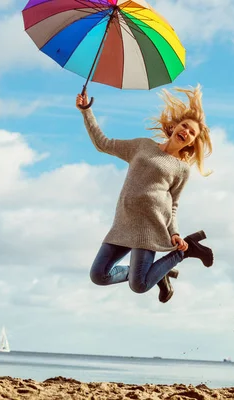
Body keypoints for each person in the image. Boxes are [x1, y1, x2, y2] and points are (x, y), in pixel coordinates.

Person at [76, 85, 214, 304]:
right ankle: (159, 273)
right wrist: (86, 111)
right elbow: (103, 144)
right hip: (124, 222)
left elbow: (174, 203)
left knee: (139, 285)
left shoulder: (181, 169)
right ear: (175, 126)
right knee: (98, 275)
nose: (186, 132)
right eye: (185, 126)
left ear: (191, 142)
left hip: (151, 227)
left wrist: (175, 233)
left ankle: (184, 253)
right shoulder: (142, 146)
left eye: (191, 133)